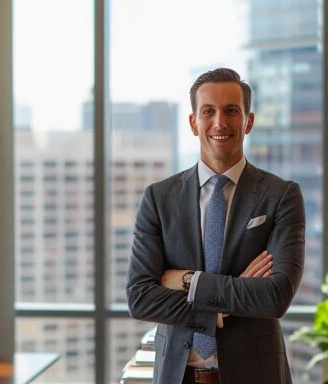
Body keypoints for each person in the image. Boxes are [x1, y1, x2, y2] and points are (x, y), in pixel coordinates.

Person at [126, 68, 306, 384]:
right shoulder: (159, 198)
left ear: (248, 121)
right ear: (194, 123)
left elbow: (276, 295)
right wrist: (220, 308)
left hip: (255, 376)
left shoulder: (281, 196)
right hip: (177, 375)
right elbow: (140, 297)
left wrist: (189, 280)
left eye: (231, 111)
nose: (220, 122)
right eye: (208, 111)